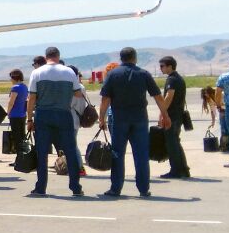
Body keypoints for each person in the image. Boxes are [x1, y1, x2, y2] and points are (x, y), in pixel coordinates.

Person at [98, 47, 170, 198]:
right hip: (139, 119)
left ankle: (116, 188)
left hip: (119, 119)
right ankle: (143, 189)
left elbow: (105, 99)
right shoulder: (143, 74)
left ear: (121, 58)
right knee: (141, 154)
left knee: (118, 154)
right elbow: (157, 96)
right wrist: (165, 115)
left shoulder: (112, 74)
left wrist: (101, 118)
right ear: (135, 58)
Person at [25, 49, 84, 196]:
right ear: (58, 56)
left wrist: (29, 119)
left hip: (43, 114)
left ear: (46, 57)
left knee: (42, 152)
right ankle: (75, 187)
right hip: (64, 113)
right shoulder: (69, 72)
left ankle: (41, 187)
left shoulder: (37, 73)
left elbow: (31, 98)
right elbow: (78, 93)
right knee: (70, 151)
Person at [157, 56, 191, 179]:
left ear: (170, 66)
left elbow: (169, 97)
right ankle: (183, 169)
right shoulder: (178, 78)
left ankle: (176, 170)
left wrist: (162, 113)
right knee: (175, 142)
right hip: (177, 115)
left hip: (172, 116)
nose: (160, 68)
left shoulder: (172, 79)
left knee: (172, 144)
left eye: (162, 66)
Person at [66, 65, 90, 177]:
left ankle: (79, 167)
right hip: (77, 118)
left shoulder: (72, 87)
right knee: (71, 143)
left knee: (72, 145)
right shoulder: (81, 86)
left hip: (71, 118)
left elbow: (69, 104)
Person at [5, 69, 28, 155]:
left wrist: (8, 112)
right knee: (21, 136)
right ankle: (23, 155)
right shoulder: (24, 87)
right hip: (22, 114)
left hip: (15, 115)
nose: (10, 80)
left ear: (15, 78)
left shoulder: (15, 88)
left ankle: (19, 156)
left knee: (16, 137)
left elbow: (11, 102)